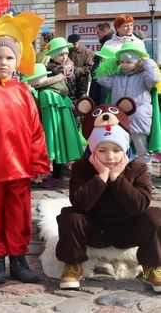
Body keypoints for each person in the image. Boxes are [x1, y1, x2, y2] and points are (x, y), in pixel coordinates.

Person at [0, 12, 50, 285]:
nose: (3, 62)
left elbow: (35, 130)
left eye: (8, 58)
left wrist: (38, 163)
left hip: (19, 167)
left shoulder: (23, 92)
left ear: (17, 61)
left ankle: (18, 258)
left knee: (18, 213)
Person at [57, 97, 161, 292]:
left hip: (127, 230)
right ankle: (72, 265)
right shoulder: (82, 167)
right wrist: (101, 177)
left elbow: (139, 206)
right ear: (92, 151)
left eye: (116, 150)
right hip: (95, 230)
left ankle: (153, 266)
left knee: (154, 215)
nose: (110, 156)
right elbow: (79, 204)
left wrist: (117, 178)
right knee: (69, 215)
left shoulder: (137, 168)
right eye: (102, 150)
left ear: (125, 150)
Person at [97, 43, 160, 171]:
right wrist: (112, 63)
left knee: (141, 146)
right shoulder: (117, 75)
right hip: (119, 116)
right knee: (121, 145)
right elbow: (101, 79)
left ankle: (145, 173)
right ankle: (124, 172)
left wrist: (147, 61)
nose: (125, 64)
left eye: (129, 61)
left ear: (138, 61)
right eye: (122, 61)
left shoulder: (144, 76)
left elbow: (154, 78)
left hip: (139, 116)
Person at [22, 63, 82, 184]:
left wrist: (46, 137)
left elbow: (48, 119)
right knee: (61, 145)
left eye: (30, 80)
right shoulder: (56, 88)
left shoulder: (45, 93)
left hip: (53, 128)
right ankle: (57, 174)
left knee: (56, 145)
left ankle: (55, 176)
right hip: (63, 125)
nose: (29, 83)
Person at [45, 37, 81, 104]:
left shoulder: (73, 68)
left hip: (74, 104)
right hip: (59, 104)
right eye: (61, 55)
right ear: (53, 56)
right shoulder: (48, 71)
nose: (64, 57)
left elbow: (80, 87)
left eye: (66, 54)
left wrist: (81, 99)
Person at [89, 23, 114, 105]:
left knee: (102, 102)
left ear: (105, 31)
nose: (97, 35)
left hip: (104, 80)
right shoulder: (105, 42)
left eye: (98, 33)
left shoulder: (110, 42)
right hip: (100, 79)